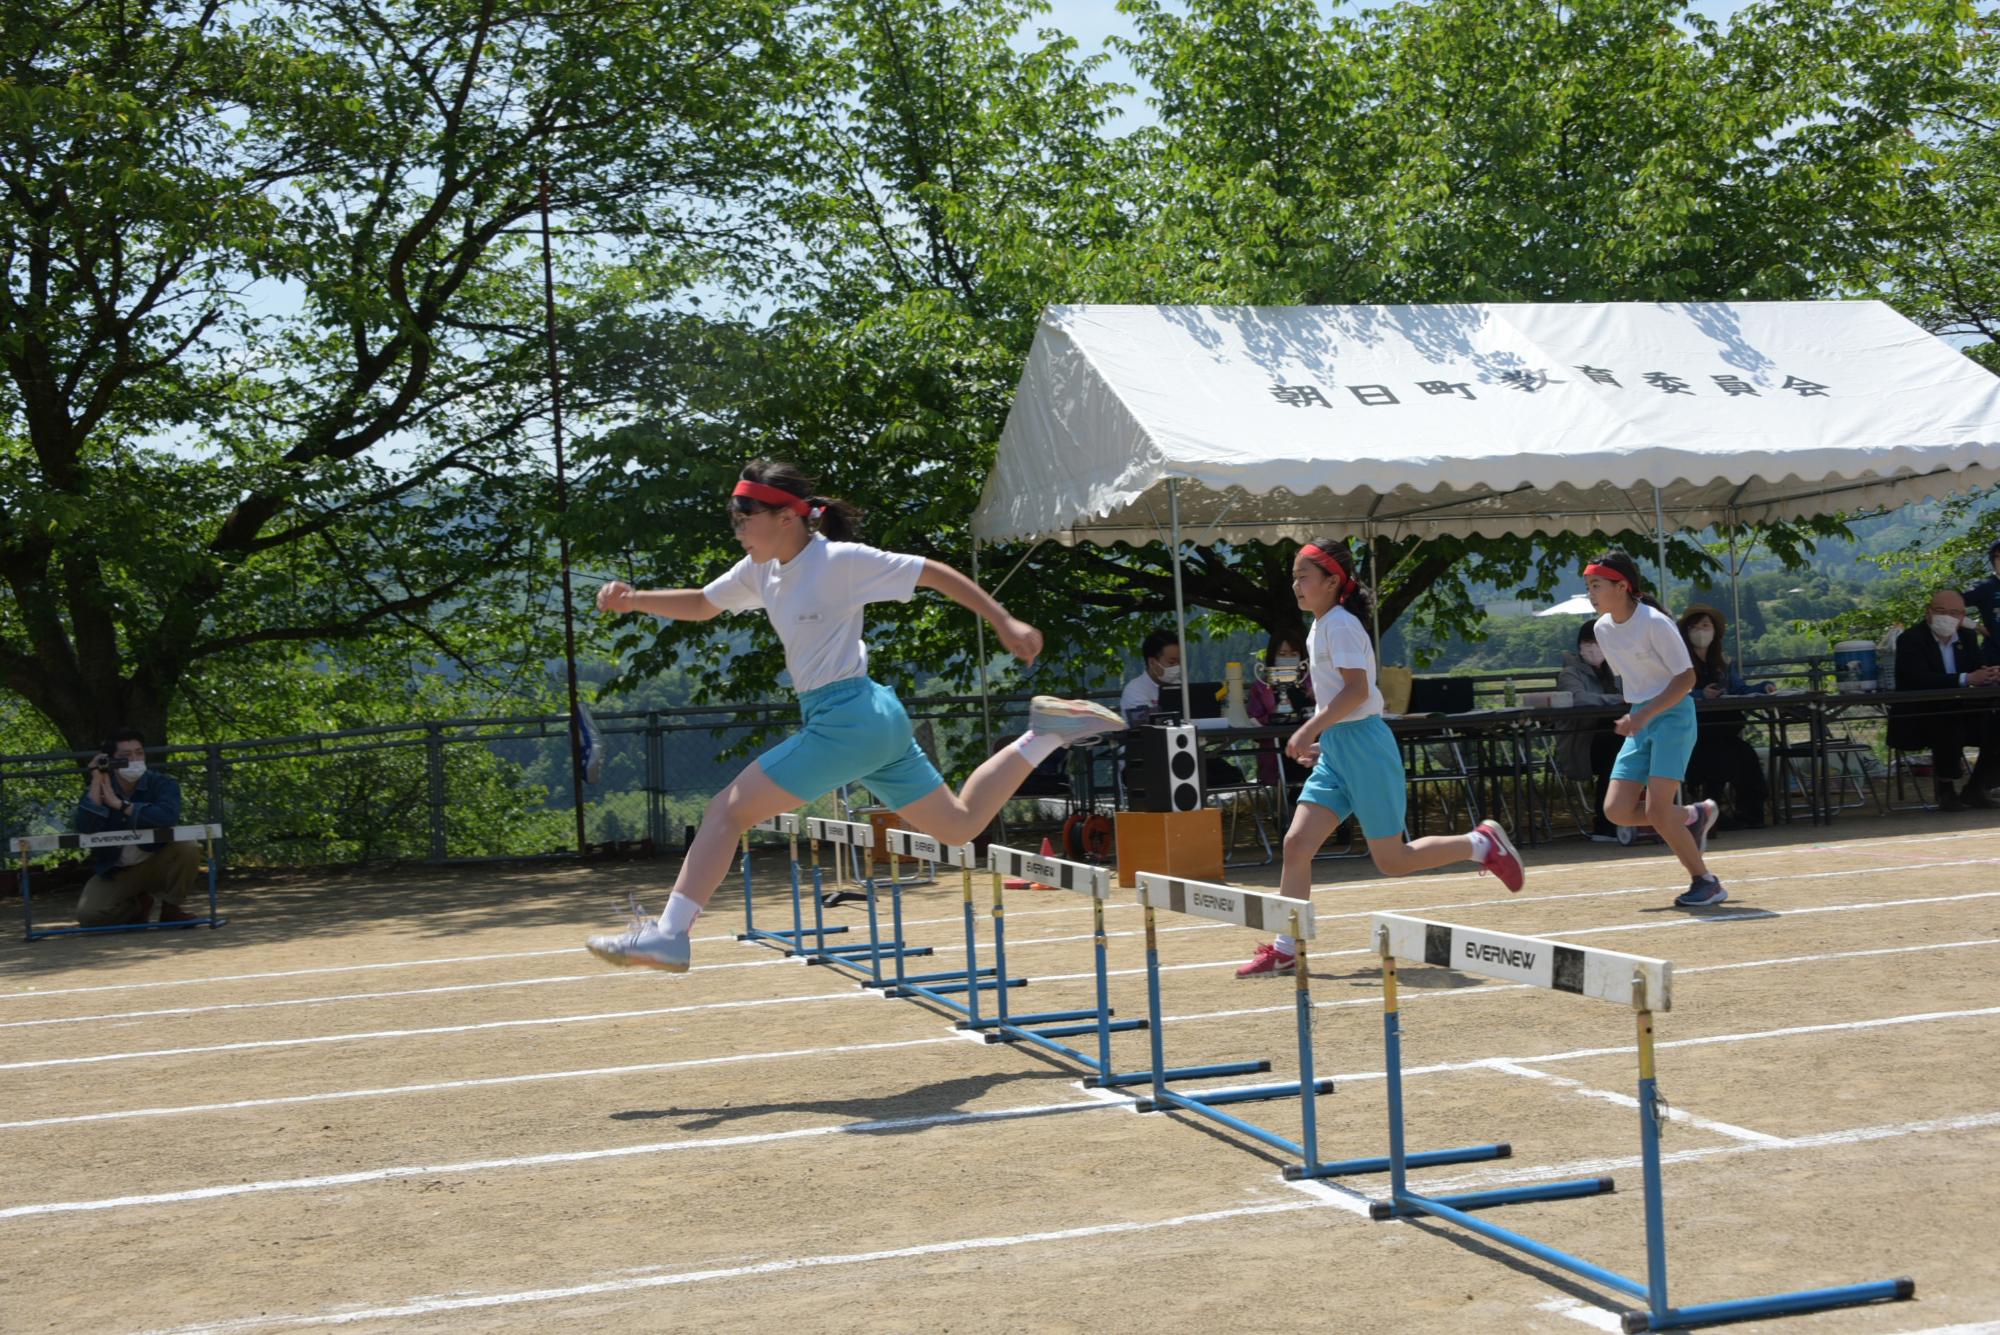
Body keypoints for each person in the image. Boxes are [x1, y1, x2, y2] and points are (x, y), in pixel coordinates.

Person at [584, 460, 1125, 972]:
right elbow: (704, 603)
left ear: (786, 516)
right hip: (871, 720)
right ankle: (1047, 732)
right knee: (959, 826)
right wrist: (634, 601)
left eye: (743, 517)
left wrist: (1004, 621)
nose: (736, 528)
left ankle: (672, 934)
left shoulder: (839, 561)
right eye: (734, 516)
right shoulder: (761, 569)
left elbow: (933, 573)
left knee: (726, 813)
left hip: (848, 719)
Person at [1236, 539, 1524, 978]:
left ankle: (1480, 843)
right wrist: (1324, 737)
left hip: (1366, 747)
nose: (1295, 584)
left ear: (1332, 581)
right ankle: (1287, 945)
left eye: (1303, 576)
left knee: (1392, 861)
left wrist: (1311, 728)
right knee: (1297, 844)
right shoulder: (1320, 626)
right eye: (1294, 576)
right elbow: (1340, 696)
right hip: (1339, 748)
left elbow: (1358, 691)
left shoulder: (1341, 625)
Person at [1585, 550, 1725, 907]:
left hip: (1673, 716)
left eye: (1596, 585)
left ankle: (1706, 881)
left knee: (1658, 812)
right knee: (1616, 811)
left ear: (1622, 586)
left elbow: (1686, 679)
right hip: (1641, 718)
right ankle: (1694, 815)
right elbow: (1636, 682)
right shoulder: (1602, 629)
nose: (1591, 592)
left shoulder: (1655, 622)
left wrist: (1644, 715)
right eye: (1589, 585)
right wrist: (1639, 715)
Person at [73, 728, 203, 927]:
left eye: (139, 753)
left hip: (157, 861)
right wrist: (97, 778)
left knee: (188, 846)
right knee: (88, 916)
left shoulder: (162, 783)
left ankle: (171, 908)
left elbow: (166, 817)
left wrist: (121, 805)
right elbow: (85, 827)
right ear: (111, 760)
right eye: (125, 756)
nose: (134, 759)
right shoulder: (98, 788)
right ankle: (137, 907)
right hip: (117, 870)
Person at [1887, 588, 2000, 811]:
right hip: (1921, 715)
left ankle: (1977, 787)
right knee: (1949, 722)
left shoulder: (1967, 637)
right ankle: (1946, 788)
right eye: (1941, 611)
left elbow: (1975, 670)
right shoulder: (1911, 639)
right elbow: (1918, 678)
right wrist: (1966, 678)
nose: (1948, 617)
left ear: (1962, 617)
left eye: (1955, 612)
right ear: (1929, 612)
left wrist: (1989, 675)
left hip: (1964, 709)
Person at [1678, 603, 1774, 830]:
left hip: (1725, 730)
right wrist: (1702, 694)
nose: (1700, 631)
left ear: (1715, 631)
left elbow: (1739, 688)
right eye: (1694, 627)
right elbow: (1673, 692)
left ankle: (1750, 814)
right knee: (1718, 758)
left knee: (1746, 755)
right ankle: (1711, 813)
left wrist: (1763, 687)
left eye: (1705, 625)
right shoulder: (1679, 662)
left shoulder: (1723, 663)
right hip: (1694, 736)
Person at [1553, 621, 1624, 841]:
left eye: (1599, 641)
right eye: (1588, 642)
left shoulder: (1618, 670)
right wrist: (1617, 700)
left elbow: (1636, 693)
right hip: (1583, 743)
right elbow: (1579, 698)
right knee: (1615, 753)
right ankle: (1605, 823)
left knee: (1632, 747)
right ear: (1579, 646)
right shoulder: (1570, 673)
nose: (1593, 647)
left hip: (1619, 736)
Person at [1247, 632, 1314, 789]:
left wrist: (1316, 698)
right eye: (1282, 654)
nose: (1288, 658)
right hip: (1277, 750)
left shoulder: (1313, 681)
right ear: (1273, 656)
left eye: (1293, 653)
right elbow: (1253, 720)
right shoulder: (1262, 686)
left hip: (1311, 744)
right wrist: (1274, 715)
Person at [1120, 629, 1182, 725]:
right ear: (1152, 662)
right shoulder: (1134, 690)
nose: (1177, 666)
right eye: (1172, 662)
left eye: (1180, 662)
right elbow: (1147, 726)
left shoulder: (1179, 686)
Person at [1964, 539, 2000, 667]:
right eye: (1998, 557)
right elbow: (1950, 607)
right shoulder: (1984, 587)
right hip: (1995, 659)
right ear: (1993, 560)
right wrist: (1975, 626)